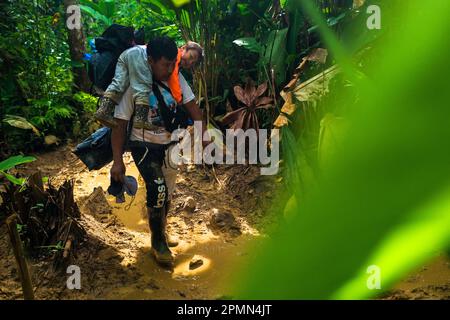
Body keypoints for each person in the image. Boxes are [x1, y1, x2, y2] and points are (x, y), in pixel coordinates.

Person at [109, 36, 205, 266]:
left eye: (173, 63)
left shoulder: (177, 79)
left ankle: (161, 230)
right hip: (144, 145)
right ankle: (157, 243)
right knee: (158, 188)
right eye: (165, 64)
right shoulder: (135, 85)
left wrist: (204, 136)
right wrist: (117, 161)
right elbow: (120, 124)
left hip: (171, 145)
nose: (170, 69)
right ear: (150, 61)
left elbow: (194, 111)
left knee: (167, 194)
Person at [95, 38, 203, 130]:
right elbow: (173, 79)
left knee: (118, 83)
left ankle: (104, 110)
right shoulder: (174, 55)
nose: (190, 62)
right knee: (143, 86)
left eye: (193, 63)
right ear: (183, 48)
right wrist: (179, 99)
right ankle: (140, 119)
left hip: (128, 54)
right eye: (191, 57)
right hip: (139, 56)